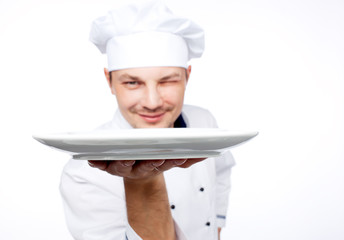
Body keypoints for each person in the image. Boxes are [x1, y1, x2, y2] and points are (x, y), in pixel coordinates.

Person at [60, 1, 235, 239]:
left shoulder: (204, 121)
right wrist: (141, 182)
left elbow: (222, 172)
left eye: (167, 81)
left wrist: (215, 229)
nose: (152, 102)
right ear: (109, 81)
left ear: (187, 76)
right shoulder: (84, 173)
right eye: (132, 82)